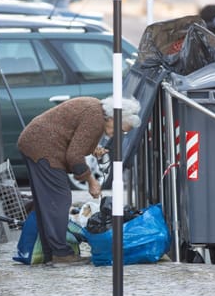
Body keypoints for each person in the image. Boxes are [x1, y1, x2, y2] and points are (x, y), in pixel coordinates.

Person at [17, 96, 141, 266]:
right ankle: (61, 254)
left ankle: (50, 252)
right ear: (113, 118)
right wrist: (91, 181)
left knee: (48, 203)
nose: (118, 134)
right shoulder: (95, 120)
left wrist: (92, 149)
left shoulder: (96, 110)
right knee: (59, 200)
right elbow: (74, 156)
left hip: (35, 142)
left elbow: (75, 139)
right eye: (120, 129)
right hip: (43, 148)